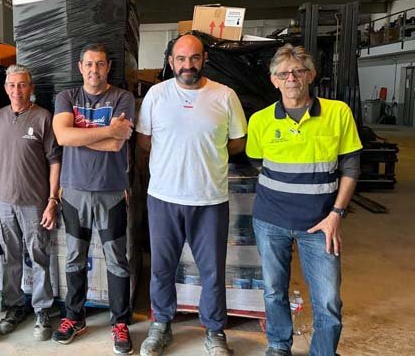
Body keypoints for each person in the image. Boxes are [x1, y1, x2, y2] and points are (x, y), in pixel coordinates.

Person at [246, 44, 362, 356]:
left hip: (321, 224)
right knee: (273, 290)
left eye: (298, 71)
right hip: (270, 221)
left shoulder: (338, 113)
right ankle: (279, 345)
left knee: (327, 298)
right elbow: (259, 163)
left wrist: (336, 213)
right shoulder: (260, 120)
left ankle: (323, 352)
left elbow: (351, 167)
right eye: (283, 73)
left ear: (310, 75)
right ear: (273, 80)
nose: (291, 78)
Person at [135, 34, 247, 356]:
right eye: (181, 59)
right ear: (170, 61)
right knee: (162, 267)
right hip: (164, 199)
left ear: (204, 59)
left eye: (194, 58)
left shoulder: (224, 96)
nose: (188, 65)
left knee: (212, 270)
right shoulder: (156, 95)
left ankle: (214, 330)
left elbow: (237, 141)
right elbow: (145, 142)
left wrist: (207, 154)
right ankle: (161, 324)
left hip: (209, 200)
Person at [51, 43, 136, 354]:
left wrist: (80, 136)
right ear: (80, 67)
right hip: (73, 191)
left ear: (108, 67)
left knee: (117, 259)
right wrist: (106, 131)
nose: (94, 70)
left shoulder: (122, 97)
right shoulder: (67, 97)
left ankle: (120, 322)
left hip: (111, 191)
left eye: (100, 64)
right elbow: (62, 137)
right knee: (74, 256)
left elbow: (117, 145)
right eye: (89, 64)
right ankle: (74, 317)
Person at [0, 64, 62, 340]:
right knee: (10, 258)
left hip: (35, 203)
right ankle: (13, 307)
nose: (17, 90)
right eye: (12, 85)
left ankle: (43, 311)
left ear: (31, 88)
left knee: (39, 257)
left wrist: (52, 200)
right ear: (6, 88)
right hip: (5, 202)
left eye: (22, 85)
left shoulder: (44, 118)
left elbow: (55, 161)